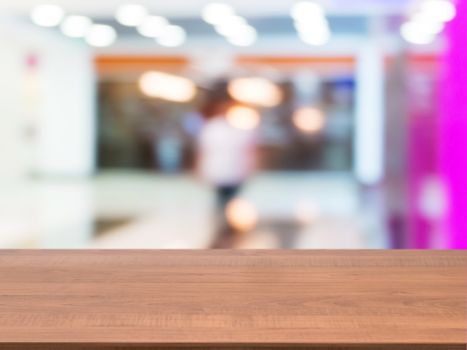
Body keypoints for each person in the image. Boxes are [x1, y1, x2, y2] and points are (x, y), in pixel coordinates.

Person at [196, 82, 257, 245]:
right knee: (222, 200)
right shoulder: (212, 127)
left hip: (235, 170)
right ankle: (223, 226)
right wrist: (200, 169)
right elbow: (204, 150)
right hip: (218, 170)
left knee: (232, 200)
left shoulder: (240, 126)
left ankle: (228, 226)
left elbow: (248, 149)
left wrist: (249, 167)